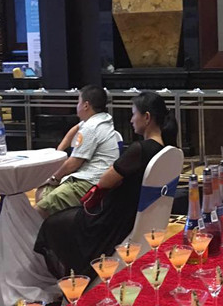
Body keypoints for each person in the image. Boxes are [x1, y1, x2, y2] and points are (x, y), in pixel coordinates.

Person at [34, 91, 178, 278]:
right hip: (134, 215)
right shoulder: (166, 150)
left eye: (134, 114)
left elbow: (104, 181)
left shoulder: (139, 149)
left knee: (52, 224)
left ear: (147, 117)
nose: (131, 120)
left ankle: (75, 277)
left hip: (111, 219)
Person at [35, 85, 120, 218]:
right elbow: (75, 129)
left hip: (89, 182)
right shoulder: (102, 119)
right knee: (42, 192)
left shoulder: (91, 127)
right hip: (95, 178)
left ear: (86, 105)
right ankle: (59, 225)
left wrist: (54, 178)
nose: (77, 106)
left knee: (38, 211)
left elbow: (74, 163)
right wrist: (59, 151)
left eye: (78, 102)